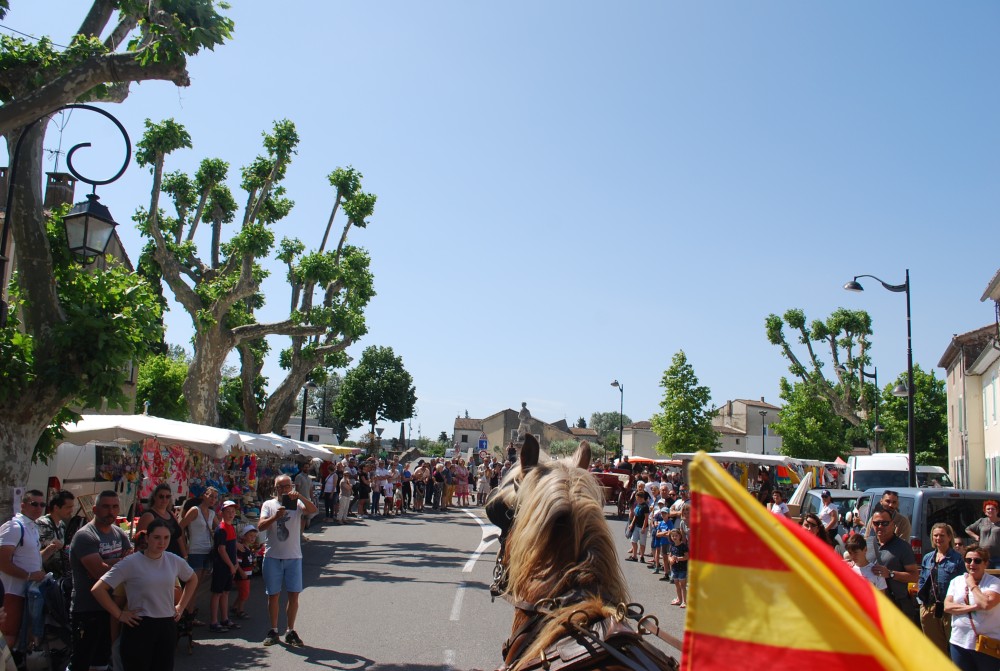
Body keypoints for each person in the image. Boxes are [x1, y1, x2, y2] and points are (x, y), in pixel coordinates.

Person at [91, 519, 197, 671]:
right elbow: (98, 589)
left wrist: (181, 607)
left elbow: (192, 579)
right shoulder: (130, 562)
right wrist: (120, 614)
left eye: (166, 538)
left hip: (166, 624)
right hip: (139, 625)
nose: (161, 542)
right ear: (147, 538)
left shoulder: (173, 560)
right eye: (157, 537)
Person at [69, 490, 132, 671]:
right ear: (95, 509)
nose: (111, 511)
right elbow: (98, 572)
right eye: (105, 506)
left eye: (114, 507)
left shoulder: (119, 534)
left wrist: (107, 562)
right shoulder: (85, 536)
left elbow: (130, 564)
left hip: (111, 608)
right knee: (81, 660)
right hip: (87, 609)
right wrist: (120, 563)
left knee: (102, 660)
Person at [257, 474, 318, 647]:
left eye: (286, 486)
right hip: (272, 556)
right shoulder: (268, 505)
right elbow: (260, 526)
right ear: (275, 488)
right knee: (273, 595)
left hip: (293, 556)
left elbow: (313, 510)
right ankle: (274, 629)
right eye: (280, 486)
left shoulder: (297, 503)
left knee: (294, 595)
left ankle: (290, 630)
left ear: (291, 486)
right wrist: (276, 517)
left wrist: (299, 496)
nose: (283, 489)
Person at [0, 489, 49, 651]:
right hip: (11, 591)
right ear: (23, 505)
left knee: (21, 639)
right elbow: (2, 562)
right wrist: (29, 576)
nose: (38, 507)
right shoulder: (14, 527)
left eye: (42, 504)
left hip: (27, 592)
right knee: (9, 636)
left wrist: (51, 550)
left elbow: (31, 560)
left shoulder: (32, 527)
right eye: (34, 504)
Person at [944, 544, 1000, 671]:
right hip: (959, 642)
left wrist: (972, 586)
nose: (972, 564)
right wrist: (974, 607)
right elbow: (947, 607)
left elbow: (986, 604)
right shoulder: (956, 581)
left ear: (985, 563)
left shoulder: (994, 583)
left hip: (987, 644)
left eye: (977, 561)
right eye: (968, 560)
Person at [918, 522, 964, 654]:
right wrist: (921, 603)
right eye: (935, 535)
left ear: (950, 537)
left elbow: (963, 582)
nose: (938, 538)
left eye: (942, 535)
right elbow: (922, 579)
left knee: (954, 648)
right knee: (934, 650)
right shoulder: (928, 558)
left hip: (949, 609)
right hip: (929, 608)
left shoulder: (957, 559)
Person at [869, 509, 920, 624]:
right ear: (872, 525)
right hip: (872, 604)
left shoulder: (903, 547)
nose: (880, 526)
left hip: (897, 605)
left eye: (884, 523)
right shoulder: (868, 544)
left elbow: (914, 576)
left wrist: (891, 574)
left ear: (893, 525)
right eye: (876, 523)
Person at [180, 486, 218, 622]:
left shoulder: (212, 513)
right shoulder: (194, 510)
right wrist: (184, 550)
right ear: (204, 496)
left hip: (207, 551)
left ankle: (190, 614)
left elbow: (219, 530)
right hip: (195, 551)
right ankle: (182, 612)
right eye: (211, 496)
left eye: (215, 497)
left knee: (197, 586)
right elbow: (180, 528)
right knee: (191, 585)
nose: (213, 499)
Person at [208, 500, 240, 633]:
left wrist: (236, 562)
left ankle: (224, 619)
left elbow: (233, 547)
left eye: (233, 512)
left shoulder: (231, 527)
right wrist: (230, 565)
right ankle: (214, 621)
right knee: (217, 593)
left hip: (230, 566)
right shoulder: (221, 529)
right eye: (228, 512)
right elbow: (222, 550)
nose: (231, 514)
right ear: (222, 513)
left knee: (226, 592)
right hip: (222, 566)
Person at [137, 483, 186, 559]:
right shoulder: (149, 516)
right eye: (161, 496)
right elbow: (141, 542)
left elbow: (179, 538)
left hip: (175, 560)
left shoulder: (171, 514)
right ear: (154, 497)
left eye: (167, 497)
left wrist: (185, 556)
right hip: (157, 560)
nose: (164, 499)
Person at [36, 490, 75, 580]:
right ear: (56, 507)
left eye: (72, 507)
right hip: (46, 577)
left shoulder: (61, 525)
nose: (71, 510)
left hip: (59, 577)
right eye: (68, 507)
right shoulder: (43, 524)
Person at [231, 524, 257, 619]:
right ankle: (240, 610)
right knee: (245, 593)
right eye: (250, 536)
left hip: (247, 575)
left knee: (242, 592)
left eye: (254, 536)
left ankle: (234, 607)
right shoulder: (241, 549)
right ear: (244, 536)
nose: (252, 538)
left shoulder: (248, 548)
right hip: (242, 575)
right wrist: (241, 572)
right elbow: (237, 562)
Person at [966, 500, 1000, 569]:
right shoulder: (981, 521)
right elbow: (967, 529)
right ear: (985, 511)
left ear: (997, 511)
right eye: (988, 509)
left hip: (998, 557)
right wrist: (975, 536)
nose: (990, 510)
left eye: (993, 509)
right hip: (983, 557)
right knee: (984, 576)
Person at [625, 490, 651, 564]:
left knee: (642, 543)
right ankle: (634, 556)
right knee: (633, 541)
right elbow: (635, 516)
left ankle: (642, 556)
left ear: (641, 498)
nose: (636, 499)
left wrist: (643, 527)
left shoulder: (645, 506)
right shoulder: (638, 505)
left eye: (637, 498)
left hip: (642, 527)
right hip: (636, 526)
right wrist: (632, 524)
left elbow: (646, 518)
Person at [666, 528, 689, 608]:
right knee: (677, 585)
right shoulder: (672, 546)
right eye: (672, 536)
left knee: (682, 585)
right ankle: (679, 599)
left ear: (680, 536)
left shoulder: (683, 546)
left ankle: (684, 601)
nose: (674, 537)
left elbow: (687, 557)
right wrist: (670, 559)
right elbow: (669, 556)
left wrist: (678, 558)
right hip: (674, 569)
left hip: (682, 568)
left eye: (676, 535)